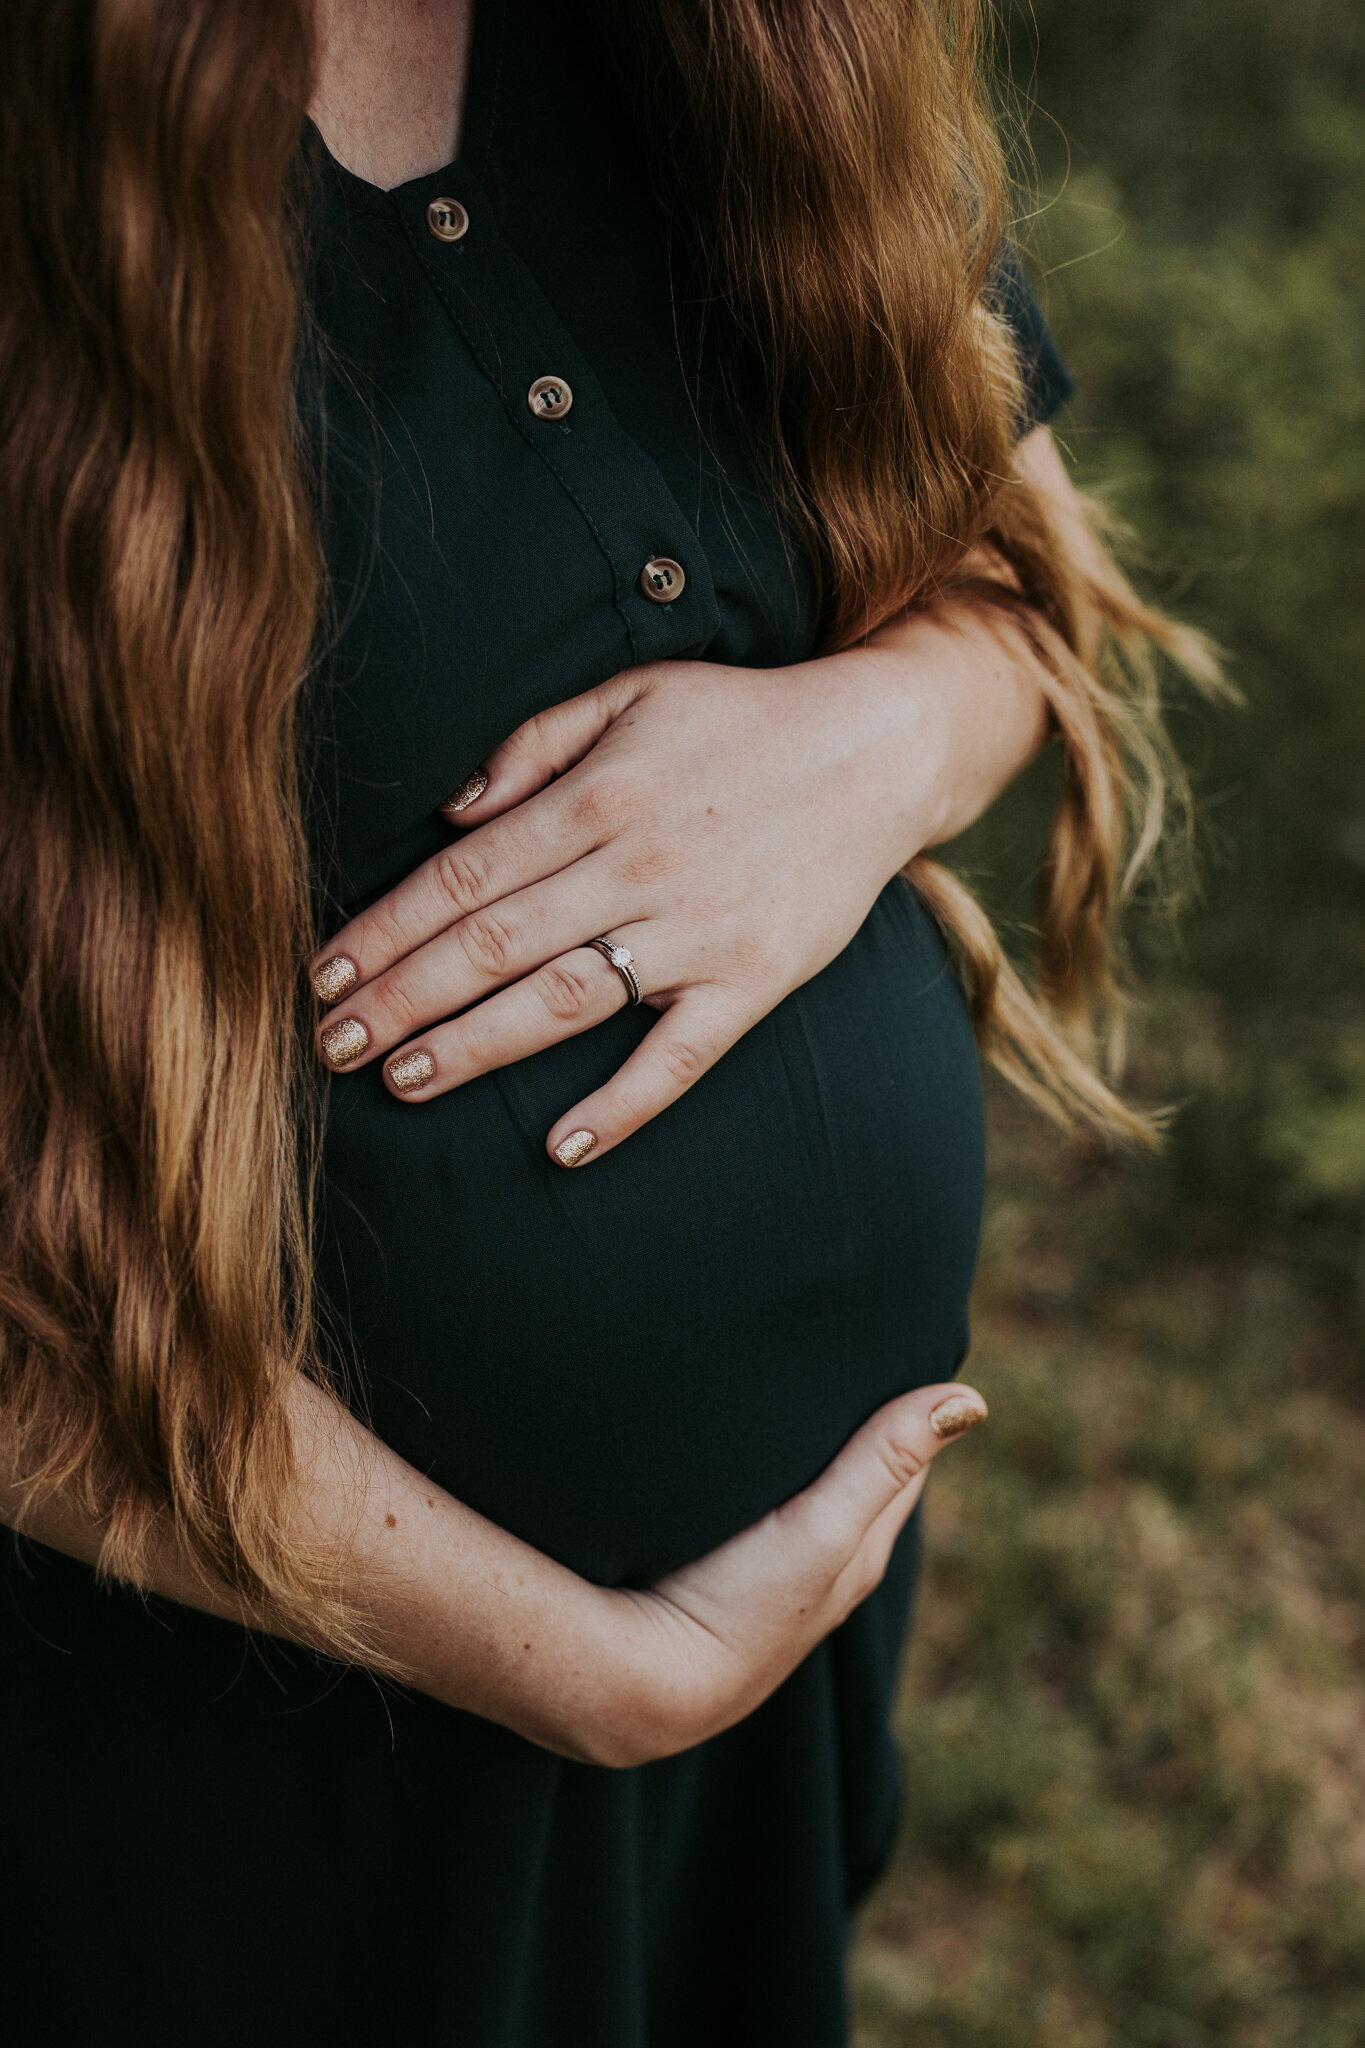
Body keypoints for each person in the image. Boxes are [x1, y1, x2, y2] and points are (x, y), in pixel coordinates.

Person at [0, 1, 1215, 2042]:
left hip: (762, 1681)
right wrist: (586, 1666)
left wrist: (867, 740)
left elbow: (1019, 583)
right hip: (254, 1724)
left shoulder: (754, 40)